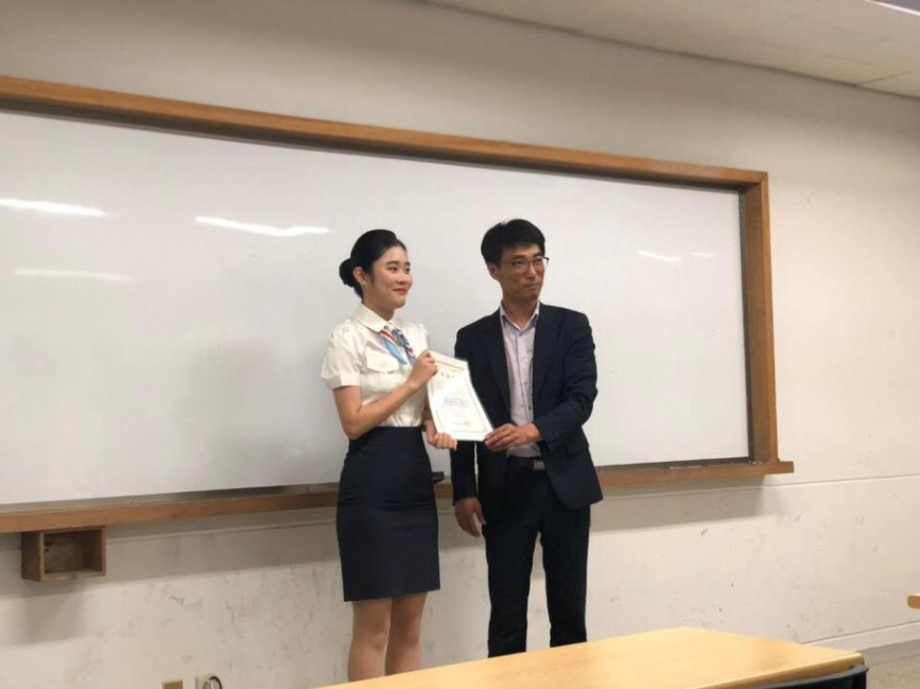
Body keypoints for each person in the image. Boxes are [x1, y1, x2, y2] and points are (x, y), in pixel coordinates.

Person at [450, 218, 602, 657]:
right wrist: (464, 490)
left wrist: (532, 430)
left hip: (564, 484)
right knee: (506, 617)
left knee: (569, 615)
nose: (532, 272)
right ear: (493, 269)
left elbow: (582, 399)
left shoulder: (572, 326)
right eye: (518, 263)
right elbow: (463, 418)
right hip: (505, 486)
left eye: (538, 260)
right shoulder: (472, 338)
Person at [321, 229, 456, 680]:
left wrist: (435, 423)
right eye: (392, 268)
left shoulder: (414, 333)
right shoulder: (347, 337)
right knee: (373, 628)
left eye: (407, 268)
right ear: (363, 276)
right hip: (371, 483)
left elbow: (421, 407)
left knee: (410, 627)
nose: (404, 278)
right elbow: (353, 421)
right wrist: (412, 383)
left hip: (414, 478)